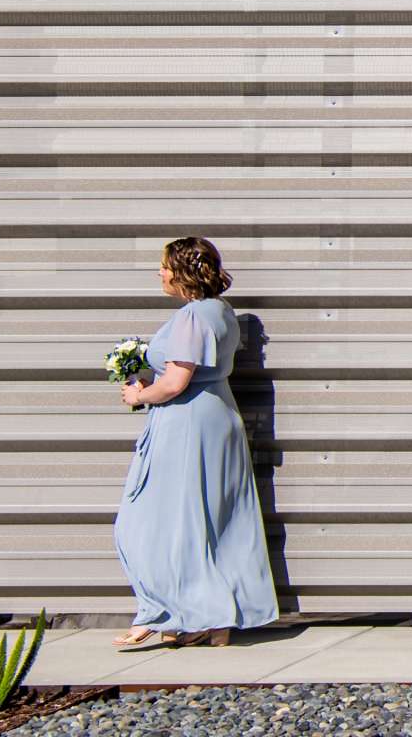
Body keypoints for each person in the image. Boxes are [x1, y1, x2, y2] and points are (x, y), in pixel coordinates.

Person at [112, 236, 279, 648]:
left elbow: (175, 382)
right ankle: (212, 619)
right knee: (215, 521)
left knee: (150, 522)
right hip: (218, 415)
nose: (160, 273)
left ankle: (163, 611)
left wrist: (139, 394)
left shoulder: (191, 317)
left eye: (165, 266)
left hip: (186, 423)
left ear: (184, 272)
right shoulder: (222, 312)